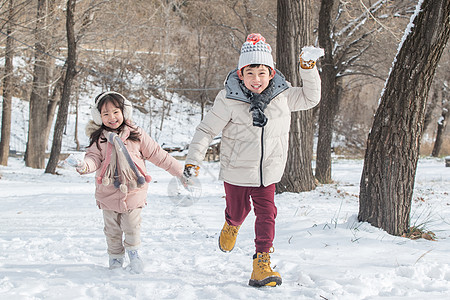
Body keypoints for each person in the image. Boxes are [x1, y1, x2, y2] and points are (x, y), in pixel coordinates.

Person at [183, 33, 321, 287]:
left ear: (271, 73)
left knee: (267, 214)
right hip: (237, 170)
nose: (256, 80)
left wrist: (307, 69)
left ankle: (262, 264)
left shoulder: (284, 95)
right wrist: (194, 160)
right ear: (240, 75)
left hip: (268, 171)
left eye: (261, 73)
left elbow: (311, 98)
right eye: (250, 73)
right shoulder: (228, 99)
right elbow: (206, 130)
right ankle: (231, 224)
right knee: (239, 211)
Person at [74, 91, 183, 273]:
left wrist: (179, 172)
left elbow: (157, 154)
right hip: (108, 191)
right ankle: (115, 258)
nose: (112, 117)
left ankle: (133, 254)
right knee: (112, 229)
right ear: (99, 117)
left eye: (116, 112)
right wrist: (83, 165)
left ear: (124, 111)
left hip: (134, 190)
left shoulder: (136, 134)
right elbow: (93, 159)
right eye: (105, 114)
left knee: (132, 226)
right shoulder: (99, 139)